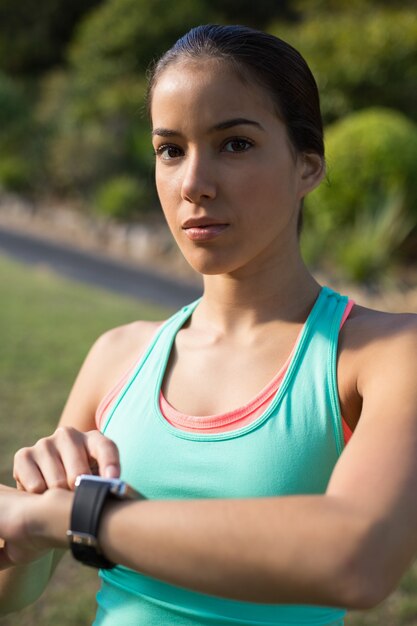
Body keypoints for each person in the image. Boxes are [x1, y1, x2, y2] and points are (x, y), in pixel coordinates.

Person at [0, 23, 416, 626]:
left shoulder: (382, 353)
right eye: (171, 149)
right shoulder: (118, 356)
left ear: (307, 166)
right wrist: (36, 511)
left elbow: (359, 559)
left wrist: (76, 518)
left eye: (235, 144)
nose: (193, 184)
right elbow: (14, 589)